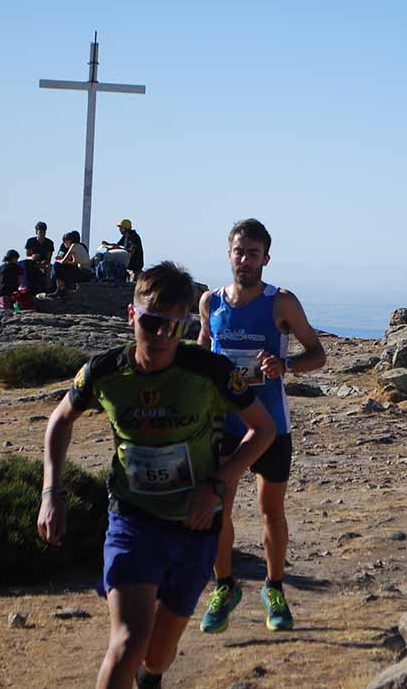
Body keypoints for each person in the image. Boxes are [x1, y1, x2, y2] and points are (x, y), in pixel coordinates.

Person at [37, 262, 275, 689]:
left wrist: (216, 485)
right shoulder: (105, 372)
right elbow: (60, 420)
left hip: (195, 526)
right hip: (133, 519)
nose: (163, 335)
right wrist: (50, 492)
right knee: (129, 642)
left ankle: (151, 678)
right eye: (152, 322)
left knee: (158, 655)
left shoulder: (210, 372)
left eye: (175, 326)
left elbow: (264, 429)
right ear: (132, 316)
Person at [197, 218, 326, 634]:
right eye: (239, 251)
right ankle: (225, 586)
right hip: (224, 425)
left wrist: (284, 365)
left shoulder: (281, 303)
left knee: (271, 510)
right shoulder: (211, 302)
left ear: (266, 259)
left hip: (271, 423)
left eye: (253, 253)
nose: (245, 260)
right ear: (229, 254)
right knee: (218, 507)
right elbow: (202, 354)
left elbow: (318, 354)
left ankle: (274, 589)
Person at [52, 230, 93, 295]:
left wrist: (61, 260)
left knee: (56, 265)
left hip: (81, 271)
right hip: (77, 268)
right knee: (57, 268)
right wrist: (61, 258)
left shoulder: (74, 246)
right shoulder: (65, 246)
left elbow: (63, 261)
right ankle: (61, 287)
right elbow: (61, 256)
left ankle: (61, 288)